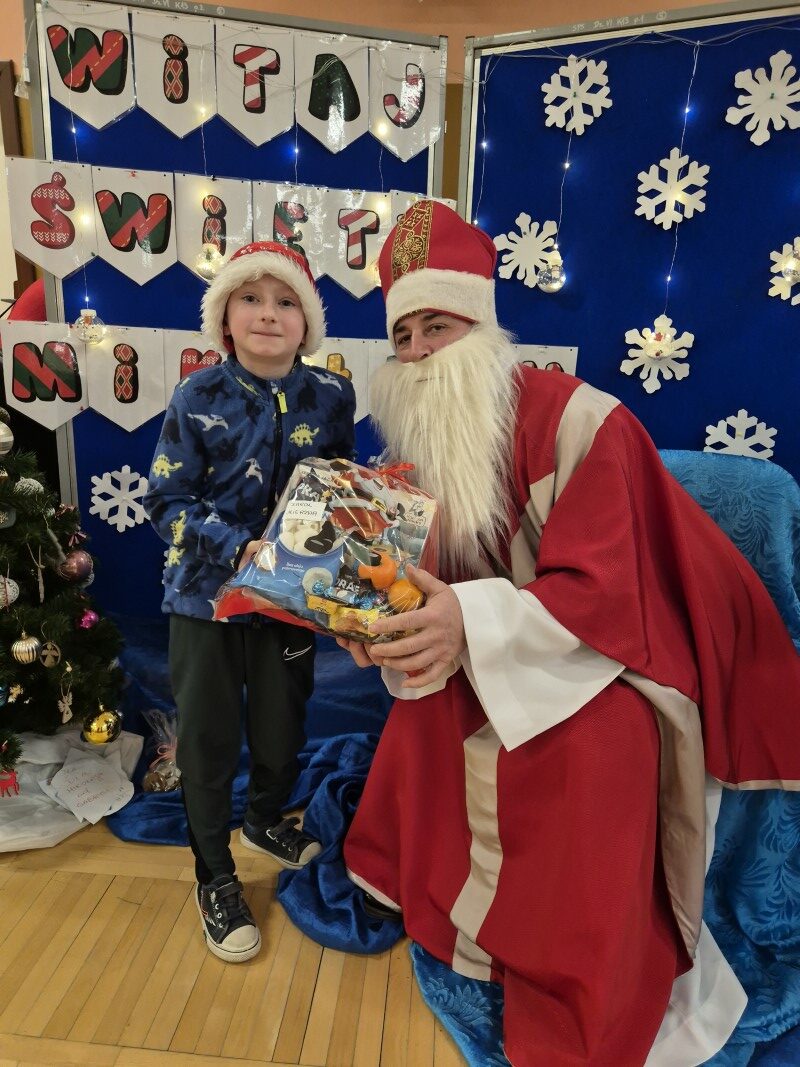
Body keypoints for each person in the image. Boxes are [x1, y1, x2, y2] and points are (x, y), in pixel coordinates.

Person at [336, 200, 800, 1065]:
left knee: (599, 749)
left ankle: (581, 976)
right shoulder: (416, 455)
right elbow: (412, 581)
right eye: (402, 335)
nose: (419, 353)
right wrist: (384, 624)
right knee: (424, 704)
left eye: (437, 326)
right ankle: (441, 901)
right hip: (497, 643)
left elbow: (611, 594)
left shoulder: (585, 421)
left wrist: (467, 621)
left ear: (480, 327)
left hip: (617, 653)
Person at [145, 242, 356, 964]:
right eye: (250, 298)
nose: (268, 313)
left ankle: (265, 819)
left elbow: (338, 489)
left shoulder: (331, 397)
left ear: (308, 322)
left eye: (286, 300)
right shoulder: (197, 395)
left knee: (280, 727)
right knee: (207, 741)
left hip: (287, 602)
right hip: (203, 600)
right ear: (225, 318)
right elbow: (165, 500)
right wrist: (236, 547)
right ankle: (214, 873)